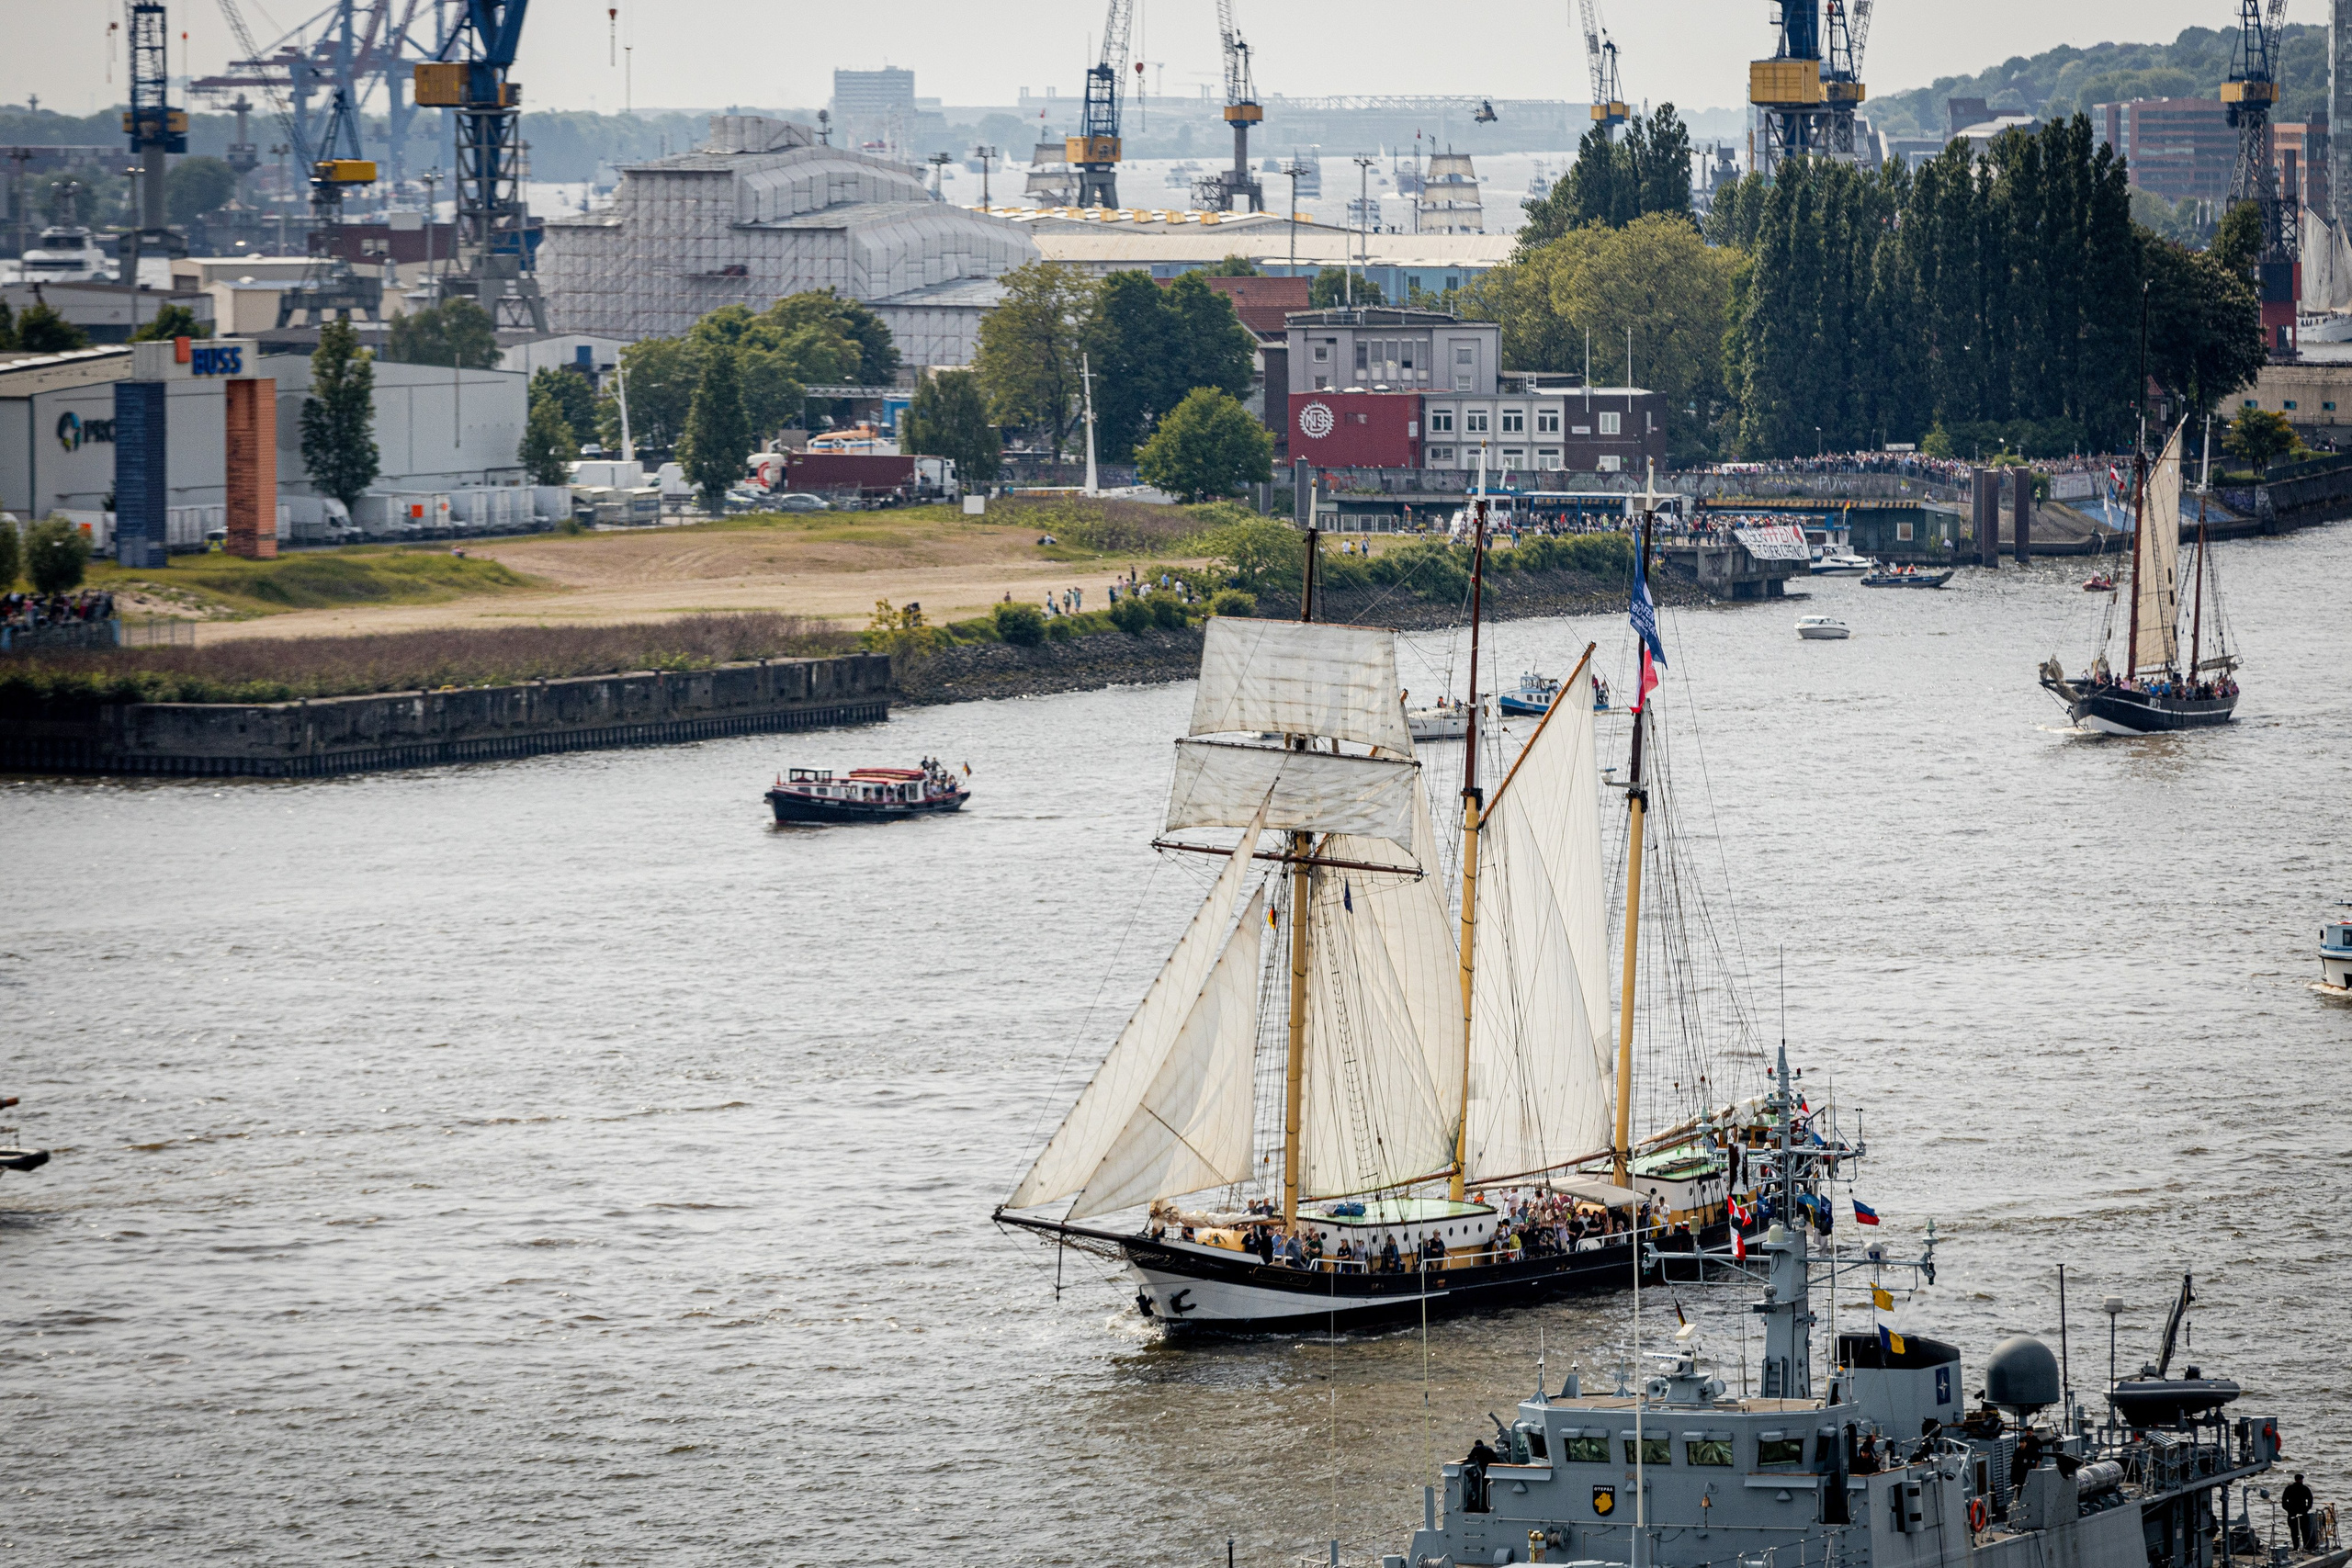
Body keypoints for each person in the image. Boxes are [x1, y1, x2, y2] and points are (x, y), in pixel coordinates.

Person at [2285, 1474, 2314, 1550]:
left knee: (2294, 1532)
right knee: (2305, 1531)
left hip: (2292, 1513)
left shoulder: (2289, 1488)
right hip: (2303, 1512)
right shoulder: (2304, 1488)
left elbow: (2284, 1501)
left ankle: (2296, 1547)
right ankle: (2306, 1547)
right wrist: (2307, 1508)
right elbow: (2310, 1499)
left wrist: (2288, 1509)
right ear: (2301, 1480)